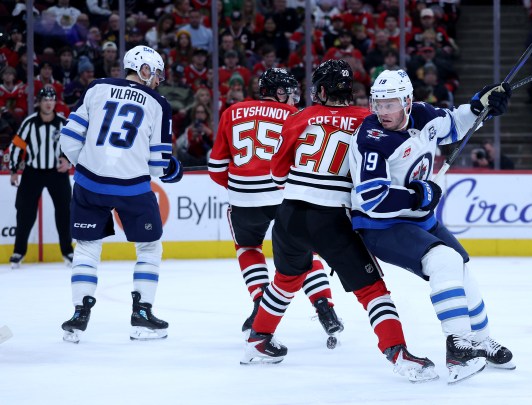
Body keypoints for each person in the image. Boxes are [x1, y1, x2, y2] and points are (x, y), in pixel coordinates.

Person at [241, 60, 438, 384]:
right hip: (332, 218)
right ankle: (398, 354)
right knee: (372, 289)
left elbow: (277, 173)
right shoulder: (369, 120)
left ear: (320, 90)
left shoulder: (300, 117)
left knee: (286, 280)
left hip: (289, 214)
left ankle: (257, 340)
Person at [349, 69, 515, 384]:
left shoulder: (424, 115)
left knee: (461, 266)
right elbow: (372, 199)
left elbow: (454, 124)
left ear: (408, 101)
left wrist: (480, 105)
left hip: (419, 218)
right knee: (445, 260)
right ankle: (458, 349)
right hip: (381, 226)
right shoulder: (371, 138)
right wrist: (419, 194)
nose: (383, 111)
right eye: (378, 104)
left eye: (391, 104)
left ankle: (479, 342)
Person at [208, 68, 343, 343]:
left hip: (243, 197)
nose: (293, 97)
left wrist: (238, 186)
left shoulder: (232, 112)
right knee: (302, 251)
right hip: (284, 194)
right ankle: (324, 307)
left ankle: (260, 301)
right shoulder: (297, 115)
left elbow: (215, 167)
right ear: (278, 92)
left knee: (248, 247)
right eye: (289, 92)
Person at [58, 45, 183, 343]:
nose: (156, 80)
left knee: (87, 247)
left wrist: (89, 166)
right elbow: (156, 165)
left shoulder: (97, 87)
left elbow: (70, 138)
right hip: (133, 189)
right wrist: (171, 169)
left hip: (89, 185)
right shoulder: (158, 103)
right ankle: (141, 315)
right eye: (155, 73)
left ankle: (79, 316)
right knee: (150, 248)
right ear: (144, 69)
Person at [7, 87, 73, 268]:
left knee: (64, 213)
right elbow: (16, 146)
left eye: (52, 99)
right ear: (39, 102)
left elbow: (74, 145)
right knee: (25, 214)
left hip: (57, 173)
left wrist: (68, 162)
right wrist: (13, 171)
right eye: (45, 99)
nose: (49, 103)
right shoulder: (30, 122)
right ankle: (18, 252)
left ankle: (67, 251)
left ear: (55, 102)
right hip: (32, 172)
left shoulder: (63, 123)